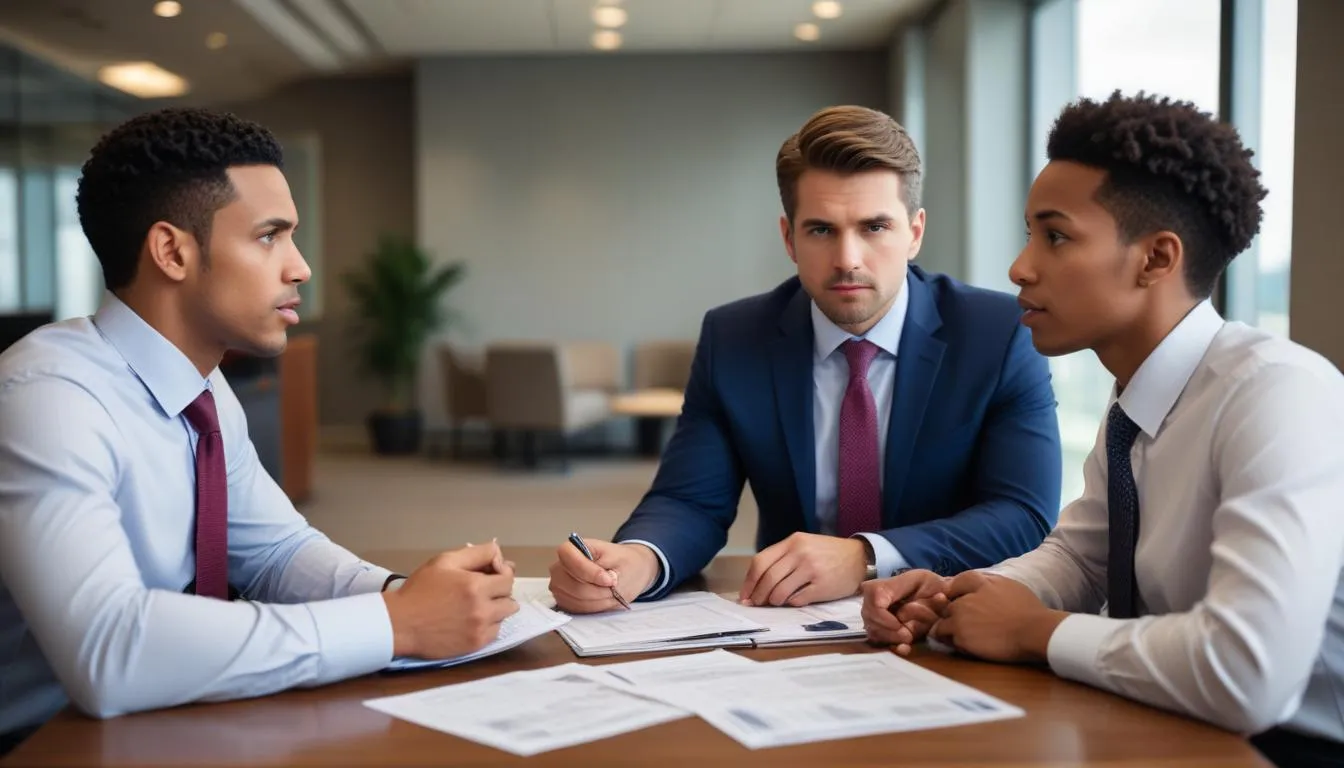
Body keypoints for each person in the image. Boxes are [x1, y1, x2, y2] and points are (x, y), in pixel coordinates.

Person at [0, 108, 518, 756]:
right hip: (41, 740)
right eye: (270, 237)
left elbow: (275, 553)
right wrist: (396, 624)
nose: (300, 267)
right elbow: (108, 651)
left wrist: (401, 594)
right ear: (172, 251)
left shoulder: (205, 391)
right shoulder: (48, 398)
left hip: (156, 718)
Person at [860, 91, 1344, 768]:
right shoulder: (1138, 403)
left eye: (1054, 236)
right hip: (1182, 730)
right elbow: (1081, 558)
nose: (1020, 267)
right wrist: (962, 594)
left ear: (1155, 259)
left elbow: (1249, 672)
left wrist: (1036, 631)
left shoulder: (1275, 392)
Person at [549, 105, 1062, 613]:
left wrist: (866, 556)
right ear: (789, 238)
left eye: (874, 227)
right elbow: (689, 500)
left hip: (945, 616)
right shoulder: (734, 338)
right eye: (821, 230)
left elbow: (1022, 514)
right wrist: (636, 561)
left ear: (915, 232)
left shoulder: (996, 334)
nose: (848, 259)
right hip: (788, 622)